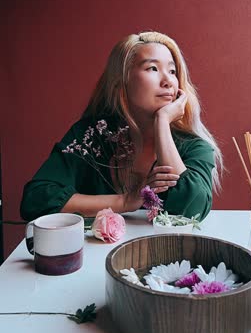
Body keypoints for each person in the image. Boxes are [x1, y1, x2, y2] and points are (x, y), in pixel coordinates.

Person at [20, 31, 223, 222]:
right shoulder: (91, 136)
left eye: (172, 71)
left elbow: (191, 210)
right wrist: (126, 201)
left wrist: (162, 122)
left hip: (169, 258)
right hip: (97, 256)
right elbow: (35, 201)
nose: (168, 81)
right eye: (153, 68)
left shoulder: (195, 146)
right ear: (122, 81)